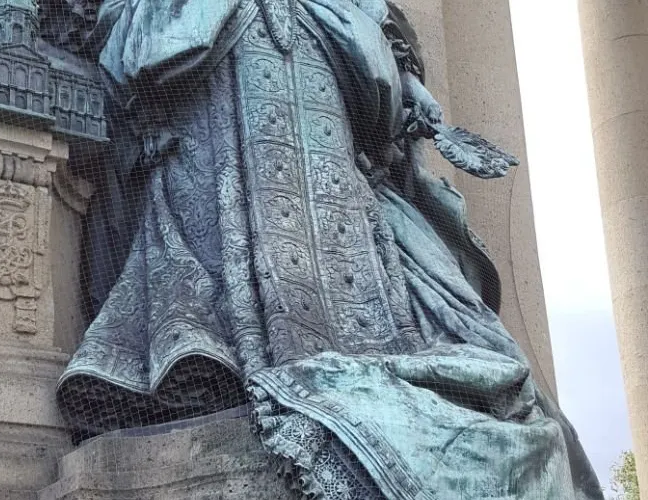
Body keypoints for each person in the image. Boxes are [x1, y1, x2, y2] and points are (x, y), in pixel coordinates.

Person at [55, 0, 604, 497]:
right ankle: (244, 369)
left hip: (317, 84)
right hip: (214, 76)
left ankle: (346, 376)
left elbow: (379, 33)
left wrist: (407, 84)